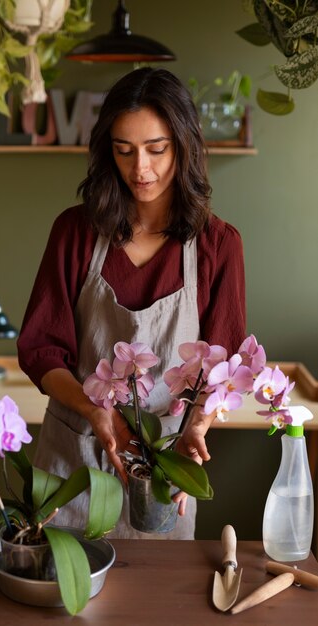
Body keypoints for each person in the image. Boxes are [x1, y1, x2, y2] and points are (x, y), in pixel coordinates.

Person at [17, 67, 246, 539]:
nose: (140, 168)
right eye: (124, 151)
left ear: (184, 146)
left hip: (164, 470)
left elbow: (224, 367)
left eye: (156, 149)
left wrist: (197, 429)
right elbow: (41, 351)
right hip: (73, 465)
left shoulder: (217, 246)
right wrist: (95, 410)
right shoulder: (74, 233)